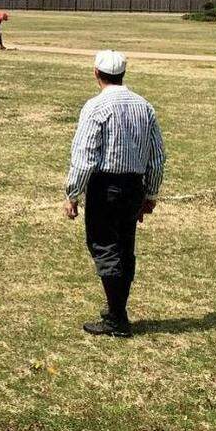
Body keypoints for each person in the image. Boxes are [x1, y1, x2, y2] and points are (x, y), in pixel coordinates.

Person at [64, 50, 165, 338]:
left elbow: (84, 155)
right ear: (123, 73)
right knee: (124, 247)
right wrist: (150, 193)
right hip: (134, 186)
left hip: (105, 186)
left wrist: (73, 193)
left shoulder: (96, 107)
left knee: (105, 246)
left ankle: (117, 318)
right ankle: (116, 310)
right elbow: (157, 156)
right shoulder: (144, 106)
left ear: (96, 72)